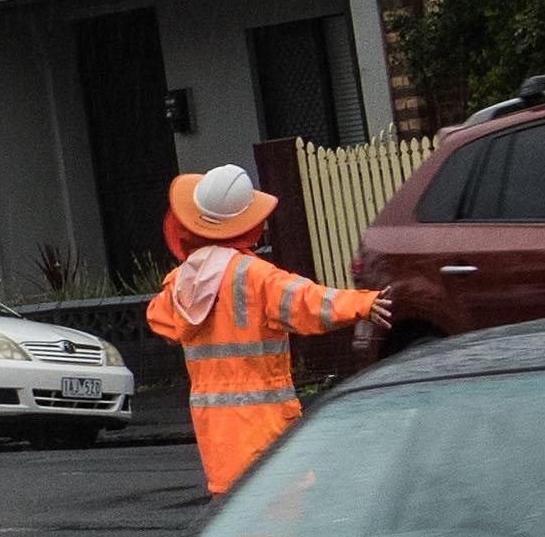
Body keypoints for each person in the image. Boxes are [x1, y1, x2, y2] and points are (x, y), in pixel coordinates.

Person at [142, 164, 392, 492]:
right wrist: (364, 304)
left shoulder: (181, 284)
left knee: (233, 514)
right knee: (280, 513)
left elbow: (161, 322)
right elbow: (308, 302)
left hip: (215, 433)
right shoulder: (254, 276)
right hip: (265, 425)